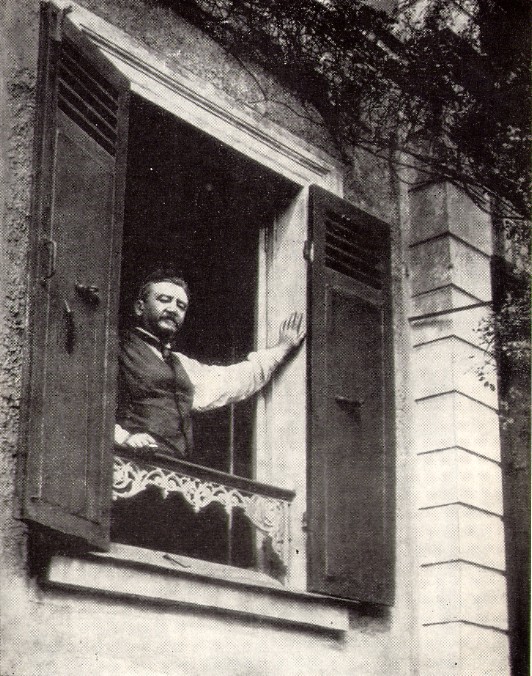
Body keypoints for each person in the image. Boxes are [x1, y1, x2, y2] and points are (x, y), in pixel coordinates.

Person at [114, 269, 305, 461]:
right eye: (164, 300)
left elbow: (232, 381)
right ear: (140, 307)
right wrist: (124, 437)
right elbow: (94, 402)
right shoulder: (115, 348)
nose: (173, 309)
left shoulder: (180, 363)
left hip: (175, 467)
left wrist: (281, 349)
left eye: (181, 306)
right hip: (128, 463)